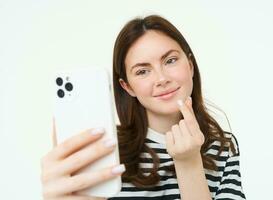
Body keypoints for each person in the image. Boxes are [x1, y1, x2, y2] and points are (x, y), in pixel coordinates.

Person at [41, 15, 246, 200]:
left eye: (171, 60)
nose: (161, 79)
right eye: (142, 71)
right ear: (127, 86)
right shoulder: (105, 153)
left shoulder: (223, 146)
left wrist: (189, 163)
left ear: (190, 66)